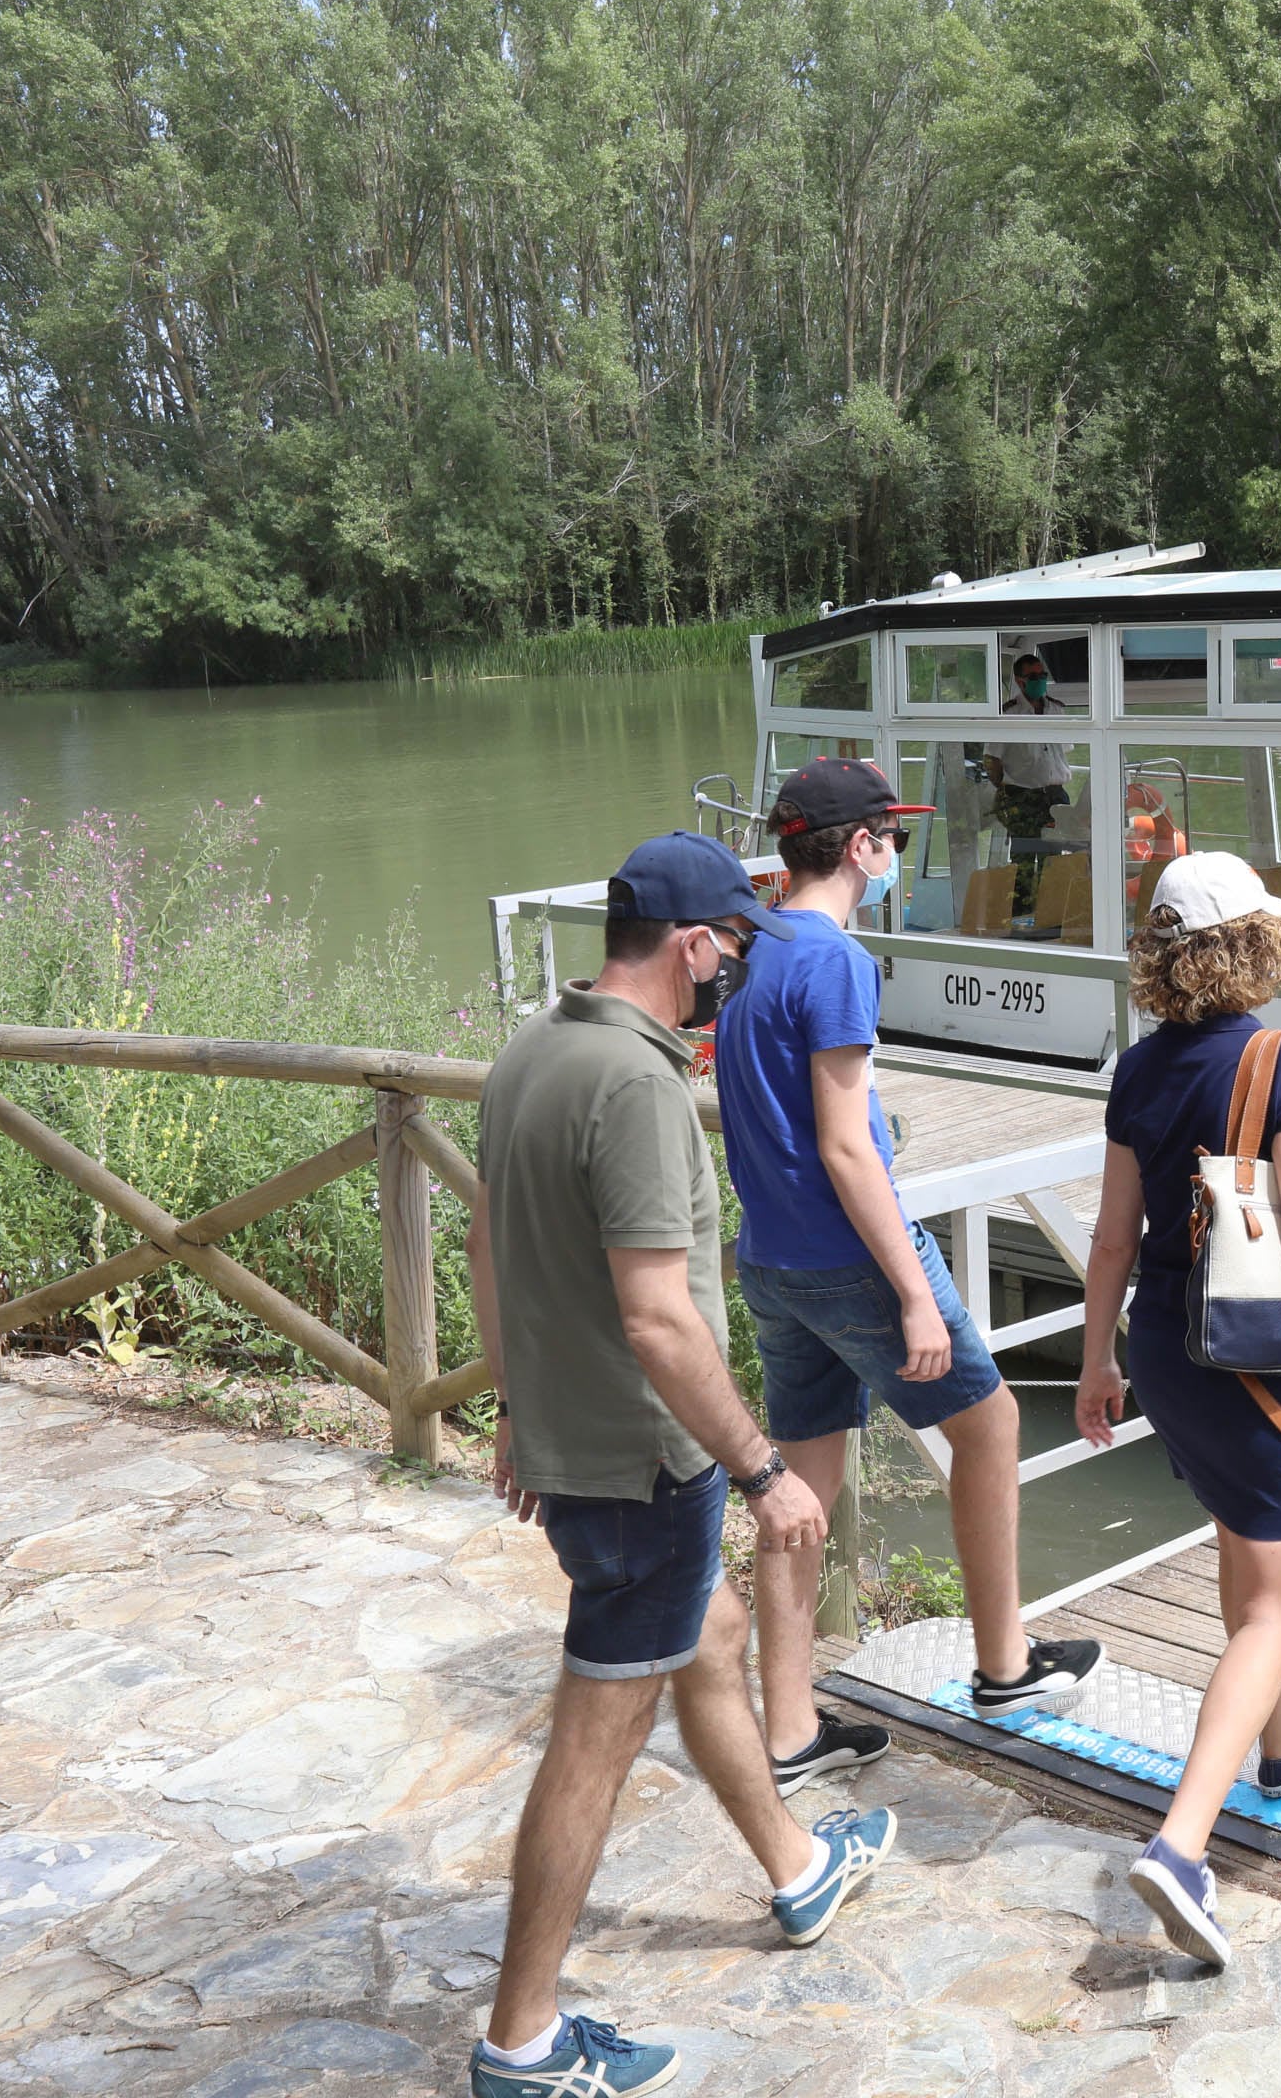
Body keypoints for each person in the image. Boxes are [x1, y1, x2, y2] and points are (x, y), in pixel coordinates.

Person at [467, 831, 891, 2098]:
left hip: (580, 1443)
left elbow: (492, 1246)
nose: (735, 972)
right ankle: (523, 2041)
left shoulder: (534, 1048)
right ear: (695, 943)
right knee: (593, 1741)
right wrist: (765, 1469)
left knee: (708, 1636)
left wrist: (518, 1405)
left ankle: (797, 1865)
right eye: (733, 947)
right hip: (643, 1465)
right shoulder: (641, 1086)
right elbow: (659, 1318)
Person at [718, 757, 1104, 1779]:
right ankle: (1004, 1662)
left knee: (799, 1488)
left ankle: (790, 1728)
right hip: (853, 1257)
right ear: (858, 846)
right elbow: (848, 1147)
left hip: (770, 1255)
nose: (895, 855)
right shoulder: (835, 960)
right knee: (993, 1424)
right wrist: (910, 1294)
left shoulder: (750, 946)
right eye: (891, 839)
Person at [1071, 852, 1281, 1970]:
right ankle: (1180, 1846)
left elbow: (1113, 1239)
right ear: (1253, 947)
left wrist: (1092, 1363)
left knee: (1245, 1550)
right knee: (1273, 1609)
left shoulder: (1139, 1066)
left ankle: (1278, 1740)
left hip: (1167, 1349)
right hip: (1258, 1357)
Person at [984, 650, 1077, 917]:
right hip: (1022, 795)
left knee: (1054, 858)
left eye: (1042, 675)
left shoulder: (1057, 709)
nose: (1040, 680)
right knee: (1023, 859)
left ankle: (1051, 914)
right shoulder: (1009, 714)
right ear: (1020, 680)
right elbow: (992, 759)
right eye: (1033, 676)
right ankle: (1022, 915)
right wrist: (1005, 788)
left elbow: (1063, 750)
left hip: (1055, 795)